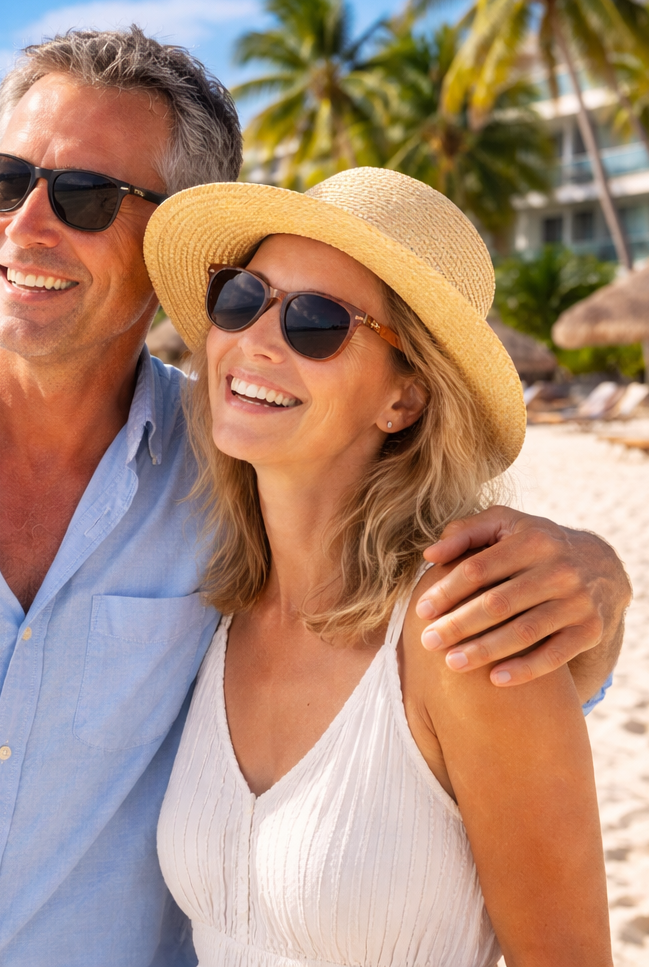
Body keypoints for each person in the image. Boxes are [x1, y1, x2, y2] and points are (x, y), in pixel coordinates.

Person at [0, 30, 629, 967]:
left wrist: (596, 574)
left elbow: (466, 698)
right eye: (6, 180)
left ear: (161, 247)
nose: (27, 224)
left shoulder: (236, 485)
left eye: (84, 194)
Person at [147, 168, 610, 965]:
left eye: (317, 322)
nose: (254, 338)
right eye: (241, 297)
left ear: (404, 401)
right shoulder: (207, 611)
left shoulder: (464, 630)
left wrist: (605, 575)